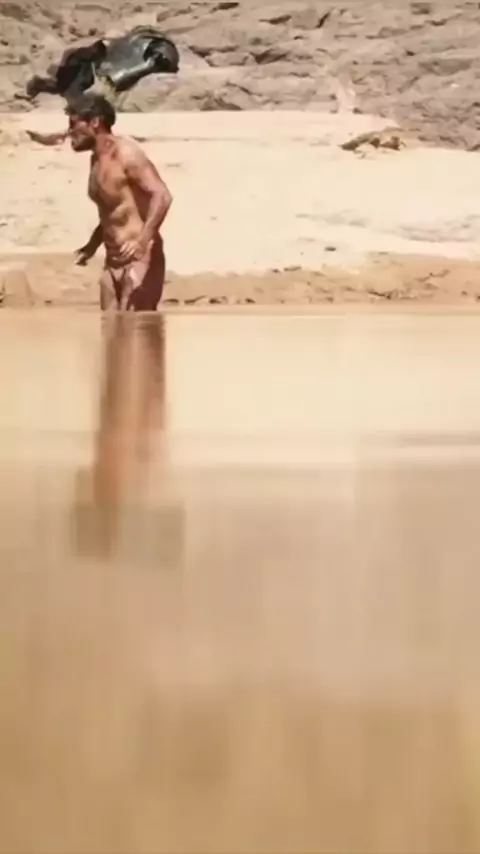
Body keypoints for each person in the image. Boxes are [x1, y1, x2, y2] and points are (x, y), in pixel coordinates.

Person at [67, 92, 172, 311]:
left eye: (74, 124)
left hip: (139, 257)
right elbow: (112, 210)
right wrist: (91, 246)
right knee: (110, 326)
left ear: (95, 122)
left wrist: (141, 242)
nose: (69, 132)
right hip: (112, 259)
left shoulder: (127, 154)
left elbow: (162, 196)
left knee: (136, 326)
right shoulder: (96, 160)